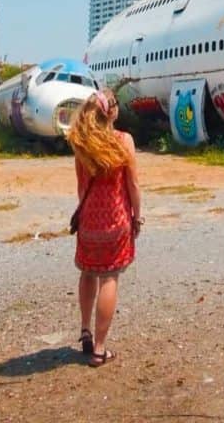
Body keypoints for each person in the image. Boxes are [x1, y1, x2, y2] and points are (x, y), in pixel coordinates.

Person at [67, 89, 142, 366]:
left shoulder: (81, 143)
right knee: (109, 278)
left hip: (89, 221)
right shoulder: (124, 141)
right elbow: (133, 184)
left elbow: (80, 186)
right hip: (117, 220)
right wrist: (138, 216)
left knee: (88, 274)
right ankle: (99, 348)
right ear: (111, 112)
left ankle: (85, 332)